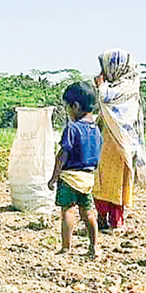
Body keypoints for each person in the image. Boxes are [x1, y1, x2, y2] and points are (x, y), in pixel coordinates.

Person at [92, 49, 146, 230]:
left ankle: (114, 220)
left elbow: (106, 98)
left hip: (118, 142)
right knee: (104, 180)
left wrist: (100, 85)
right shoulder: (121, 86)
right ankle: (105, 218)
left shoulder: (125, 88)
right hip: (110, 141)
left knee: (114, 181)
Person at [48, 82, 103, 258]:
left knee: (68, 210)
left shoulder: (72, 128)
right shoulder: (96, 130)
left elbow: (63, 154)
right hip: (87, 178)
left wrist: (54, 177)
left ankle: (66, 247)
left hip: (70, 177)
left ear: (76, 106)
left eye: (68, 108)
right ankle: (94, 247)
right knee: (88, 212)